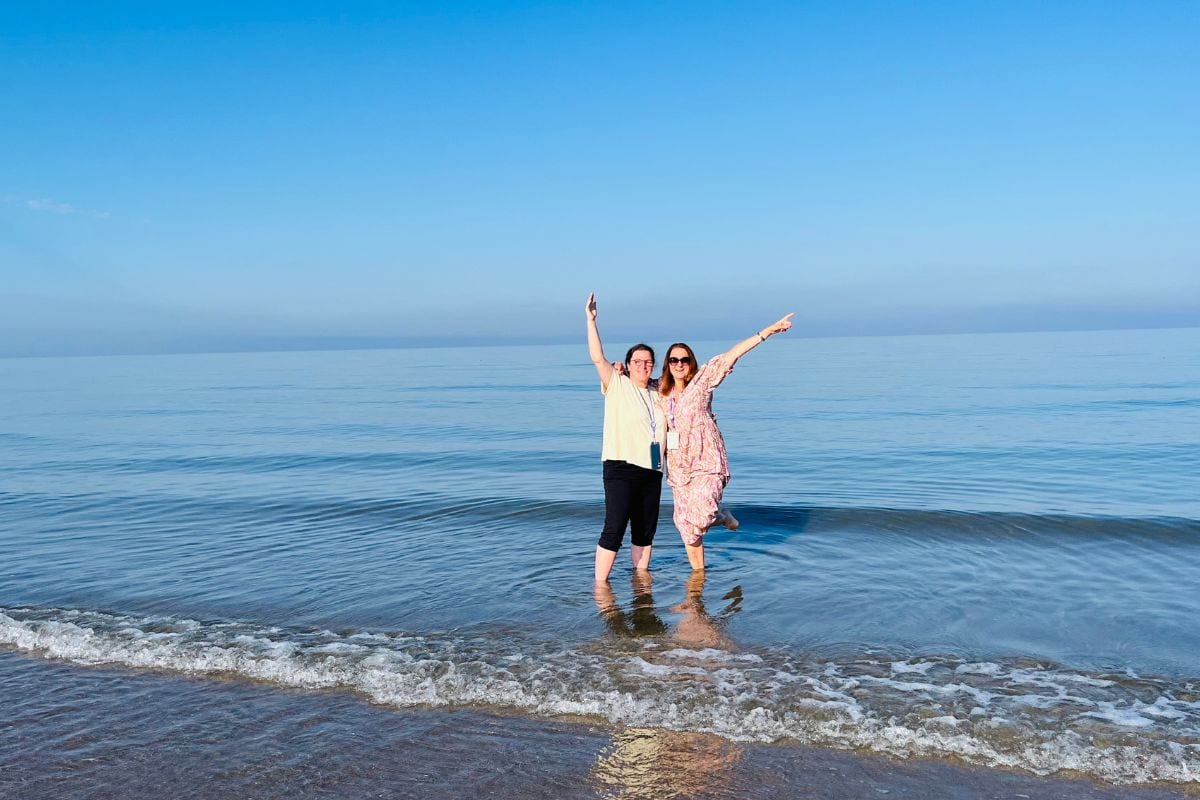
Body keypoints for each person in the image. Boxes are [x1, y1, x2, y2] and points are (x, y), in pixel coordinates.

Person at [660, 313, 794, 571]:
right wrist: (619, 370)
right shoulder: (660, 391)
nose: (679, 364)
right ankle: (698, 577)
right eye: (674, 360)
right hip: (679, 467)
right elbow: (634, 386)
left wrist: (768, 331)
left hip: (707, 459)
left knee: (703, 514)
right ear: (667, 364)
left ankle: (722, 517)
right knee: (686, 525)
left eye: (684, 359)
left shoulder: (702, 381)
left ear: (691, 363)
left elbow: (732, 355)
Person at [586, 292, 668, 583]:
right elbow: (597, 357)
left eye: (648, 362)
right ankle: (600, 586)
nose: (644, 366)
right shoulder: (616, 383)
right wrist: (591, 320)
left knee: (646, 530)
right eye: (638, 361)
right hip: (620, 467)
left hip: (652, 471)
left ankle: (641, 582)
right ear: (628, 363)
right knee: (615, 526)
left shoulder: (659, 392)